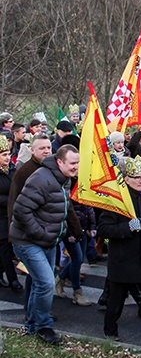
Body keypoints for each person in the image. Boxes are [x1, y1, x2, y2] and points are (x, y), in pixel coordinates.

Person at [10, 145, 80, 344]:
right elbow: (21, 210)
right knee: (46, 283)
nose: (76, 167)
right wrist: (40, 234)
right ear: (60, 162)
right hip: (28, 241)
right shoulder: (42, 179)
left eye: (78, 163)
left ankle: (33, 324)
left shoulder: (63, 179)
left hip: (48, 241)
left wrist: (70, 230)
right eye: (73, 163)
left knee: (39, 283)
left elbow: (62, 208)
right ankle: (44, 326)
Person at [98, 156, 141, 340]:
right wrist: (127, 228)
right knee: (116, 300)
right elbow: (103, 229)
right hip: (122, 260)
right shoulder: (116, 200)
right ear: (126, 179)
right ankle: (110, 332)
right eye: (137, 177)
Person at [0, 135, 21, 290]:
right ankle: (13, 279)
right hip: (1, 216)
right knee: (5, 248)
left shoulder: (12, 169)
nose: (7, 158)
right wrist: (10, 200)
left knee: (7, 247)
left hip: (11, 215)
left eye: (8, 154)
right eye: (3, 155)